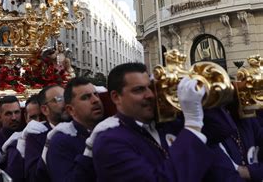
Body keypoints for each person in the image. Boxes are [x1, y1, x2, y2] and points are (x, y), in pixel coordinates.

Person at [88, 62, 216, 182]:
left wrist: (203, 98)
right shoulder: (109, 142)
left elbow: (220, 131)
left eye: (150, 87)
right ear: (116, 97)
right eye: (139, 90)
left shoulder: (166, 123)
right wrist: (193, 123)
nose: (150, 95)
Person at [43, 77, 104, 182]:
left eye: (96, 94)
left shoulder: (110, 129)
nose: (95, 100)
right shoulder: (61, 142)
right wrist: (88, 152)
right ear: (71, 110)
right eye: (86, 97)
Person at [24, 85, 66, 182]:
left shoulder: (81, 125)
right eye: (59, 99)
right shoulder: (36, 137)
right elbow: (34, 177)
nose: (65, 102)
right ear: (45, 110)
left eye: (67, 97)